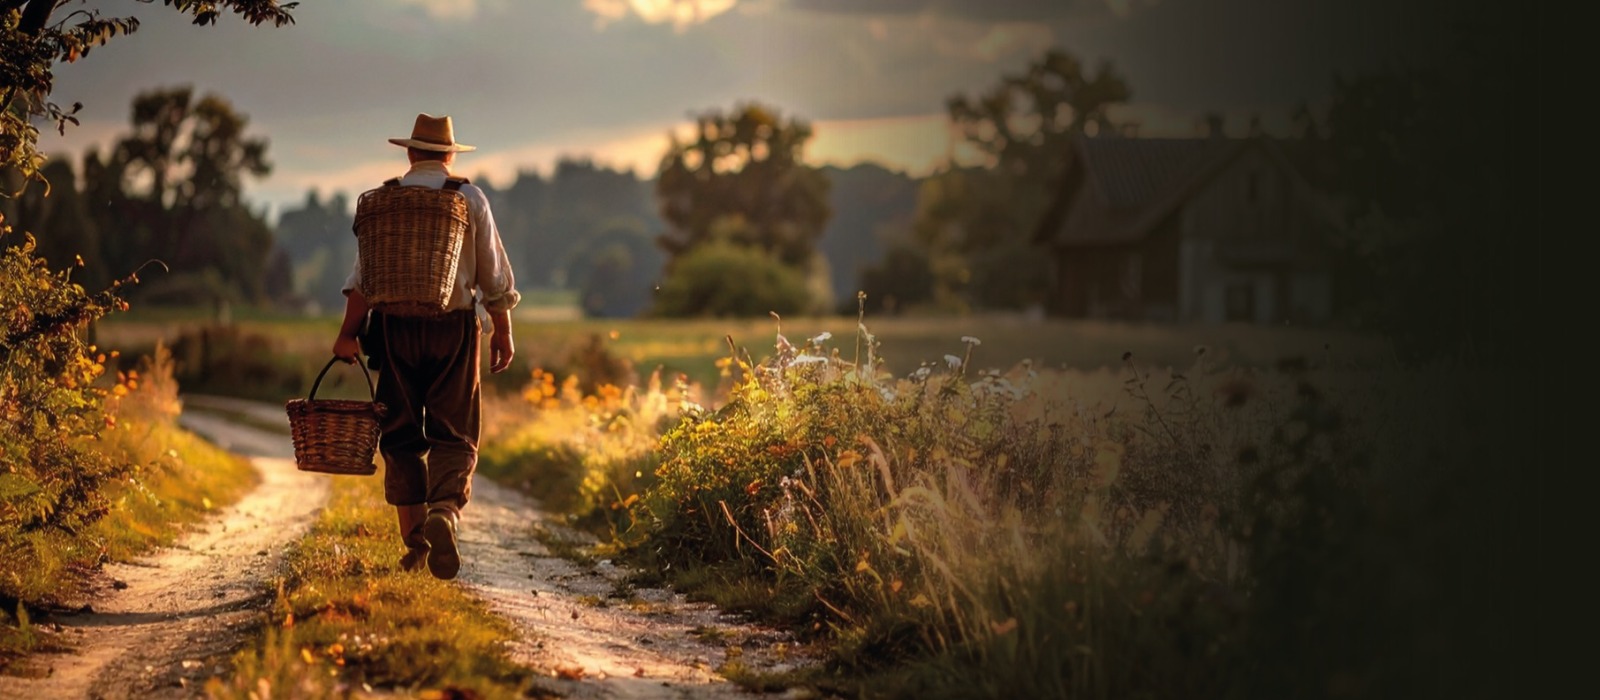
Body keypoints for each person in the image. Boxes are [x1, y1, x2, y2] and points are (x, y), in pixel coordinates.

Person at [331, 113, 520, 580]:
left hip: (392, 329)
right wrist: (503, 329)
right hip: (451, 327)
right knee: (454, 432)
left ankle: (415, 540)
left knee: (399, 435)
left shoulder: (384, 202)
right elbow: (493, 274)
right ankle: (445, 513)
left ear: (411, 153)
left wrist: (348, 333)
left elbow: (362, 281)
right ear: (450, 155)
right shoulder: (469, 198)